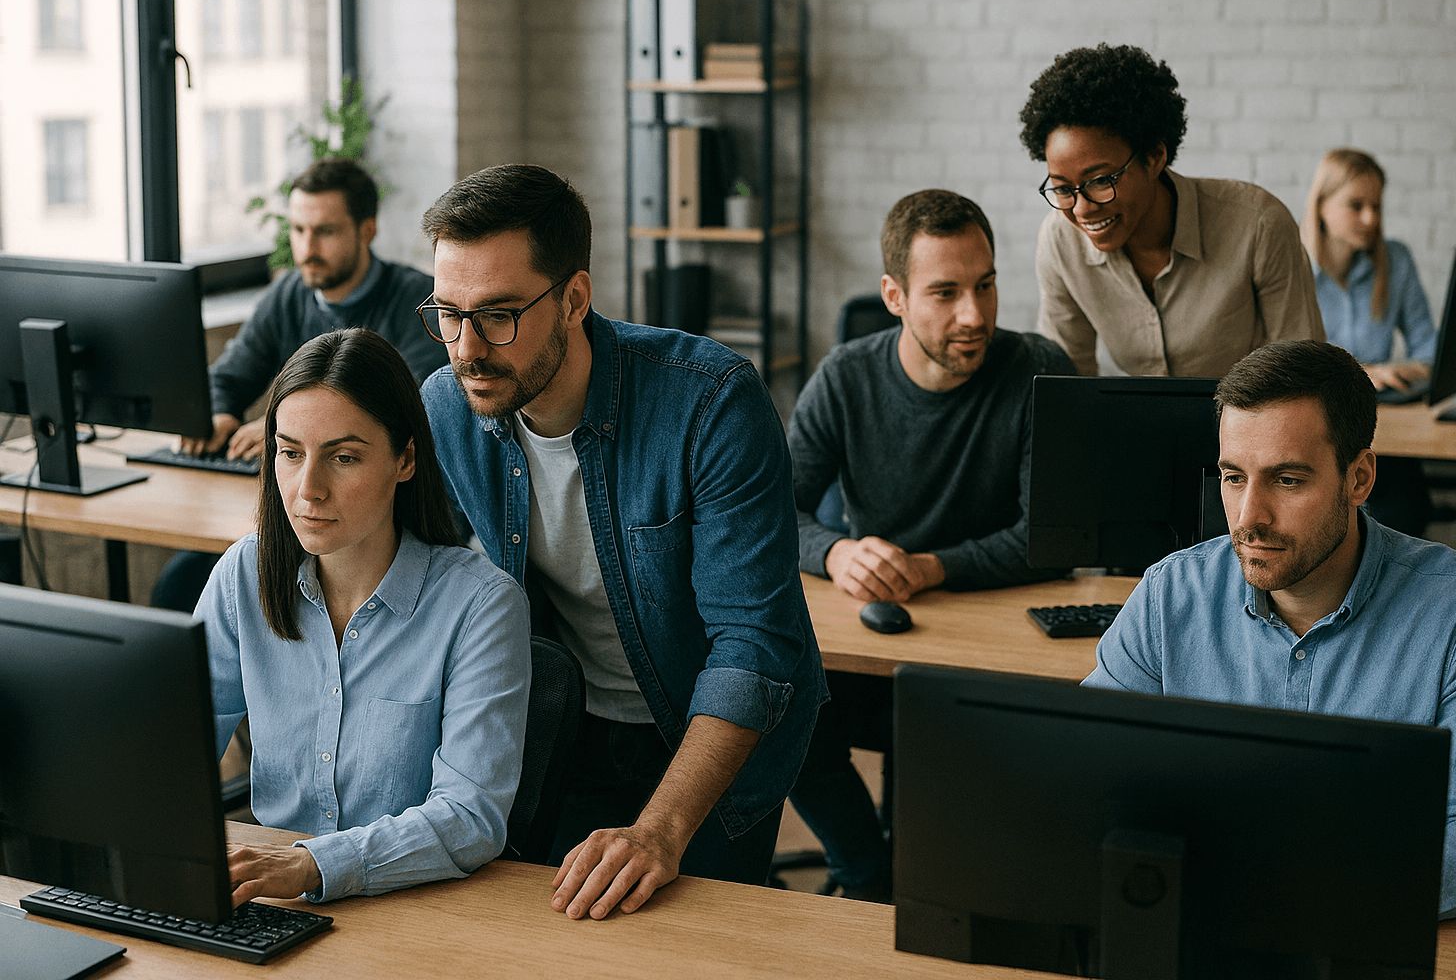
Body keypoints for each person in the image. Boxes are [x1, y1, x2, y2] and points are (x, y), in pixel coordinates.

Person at [416, 164, 825, 921]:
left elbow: (753, 645)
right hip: (571, 724)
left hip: (713, 735)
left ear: (574, 298)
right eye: (448, 313)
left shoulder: (710, 402)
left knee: (700, 954)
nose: (467, 347)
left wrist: (659, 829)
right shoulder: (448, 405)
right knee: (570, 937)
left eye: (499, 314)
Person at [1084, 339, 1456, 919]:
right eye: (1232, 477)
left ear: (1359, 478)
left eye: (1287, 480)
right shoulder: (1170, 595)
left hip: (1373, 940)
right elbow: (1091, 786)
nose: (1248, 517)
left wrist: (1290, 891)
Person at [786, 189, 1075, 901]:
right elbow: (771, 511)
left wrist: (928, 568)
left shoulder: (1041, 369)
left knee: (938, 825)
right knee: (772, 697)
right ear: (894, 295)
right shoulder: (846, 376)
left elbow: (1050, 543)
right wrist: (837, 553)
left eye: (985, 286)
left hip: (983, 654)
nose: (974, 315)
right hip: (873, 638)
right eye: (944, 293)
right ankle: (863, 866)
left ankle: (902, 877)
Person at [197, 327, 530, 905]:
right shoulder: (243, 575)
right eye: (290, 452)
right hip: (269, 903)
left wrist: (310, 867)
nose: (308, 490)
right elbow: (176, 748)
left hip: (416, 908)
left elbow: (469, 816)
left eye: (343, 457)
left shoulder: (481, 606)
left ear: (405, 459)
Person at [155, 157, 446, 612]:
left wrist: (280, 428)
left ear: (366, 230)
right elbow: (228, 377)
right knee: (177, 585)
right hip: (291, 510)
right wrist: (218, 413)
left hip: (380, 522)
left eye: (325, 231)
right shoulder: (288, 294)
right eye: (298, 230)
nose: (307, 247)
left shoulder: (417, 303)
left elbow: (420, 416)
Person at [1020, 43, 1325, 377]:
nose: (1081, 210)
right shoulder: (1060, 241)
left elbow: (1305, 378)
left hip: (1248, 427)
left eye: (1100, 181)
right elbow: (1066, 383)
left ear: (1153, 158)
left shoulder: (1259, 226)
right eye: (1063, 188)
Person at [1304, 147, 1437, 536]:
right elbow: (1284, 367)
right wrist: (1364, 373)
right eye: (1356, 205)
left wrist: (1392, 371)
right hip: (1317, 430)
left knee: (1405, 513)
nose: (1371, 218)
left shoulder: (1395, 261)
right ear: (1322, 206)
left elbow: (1430, 351)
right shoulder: (1293, 268)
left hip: (1382, 430)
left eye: (1376, 205)